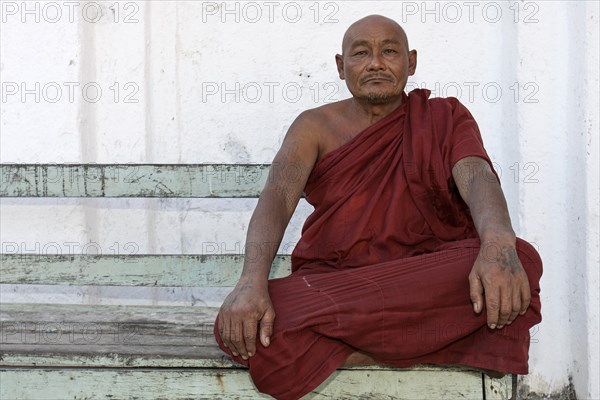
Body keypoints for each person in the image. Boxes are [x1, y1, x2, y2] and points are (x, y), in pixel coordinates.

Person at [214, 15, 542, 400]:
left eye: (389, 51)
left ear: (411, 62)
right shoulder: (313, 127)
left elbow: (477, 176)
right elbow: (277, 199)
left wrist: (498, 243)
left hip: (422, 279)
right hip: (340, 281)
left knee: (520, 258)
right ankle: (424, 343)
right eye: (360, 53)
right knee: (239, 325)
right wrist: (250, 282)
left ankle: (348, 346)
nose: (375, 63)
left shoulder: (444, 118)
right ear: (341, 66)